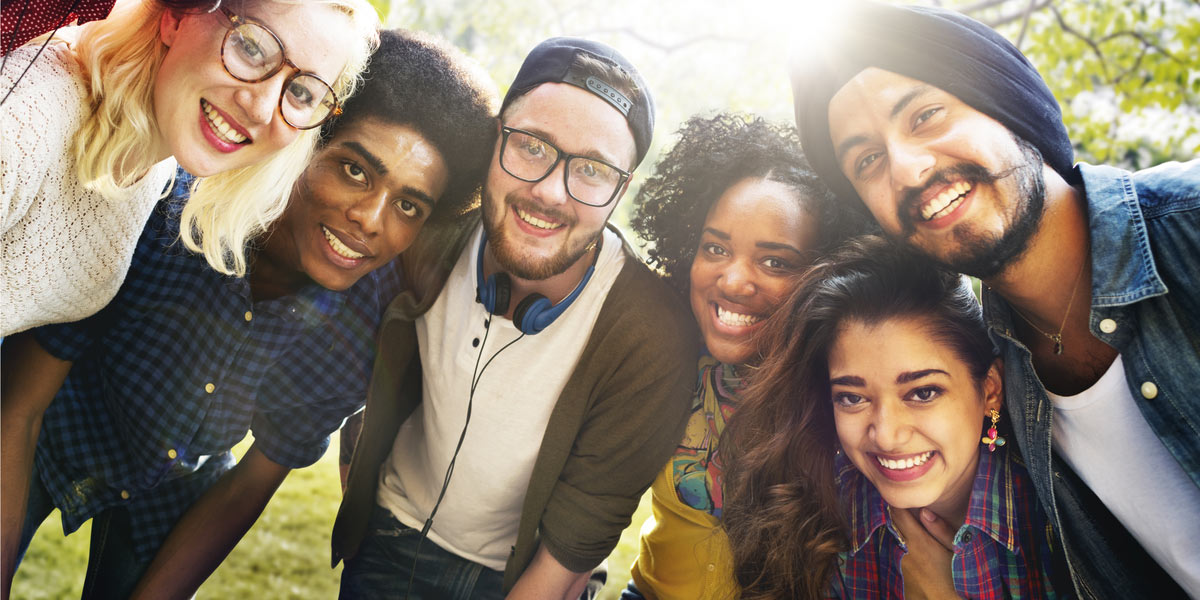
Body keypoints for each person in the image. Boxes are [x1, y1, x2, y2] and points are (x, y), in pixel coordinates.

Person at [0, 28, 498, 599]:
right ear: (305, 143)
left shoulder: (365, 321)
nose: (371, 218)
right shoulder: (171, 208)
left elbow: (251, 483)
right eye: (356, 170)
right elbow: (19, 405)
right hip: (47, 432)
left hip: (177, 481)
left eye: (408, 204)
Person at [790, 2, 1199, 597]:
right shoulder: (1002, 380)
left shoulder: (1188, 227)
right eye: (868, 160)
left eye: (926, 115)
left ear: (1008, 104)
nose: (906, 169)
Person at [333, 37, 699, 600]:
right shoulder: (428, 233)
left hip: (524, 580)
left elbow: (590, 517)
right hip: (386, 539)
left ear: (621, 189)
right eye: (531, 145)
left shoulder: (651, 333)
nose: (550, 191)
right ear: (494, 137)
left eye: (594, 170)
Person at [1, 0, 379, 336]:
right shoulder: (24, 125)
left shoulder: (160, 168)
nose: (261, 109)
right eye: (251, 47)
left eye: (301, 92)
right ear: (176, 18)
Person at [723, 235, 1068, 599]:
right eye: (852, 397)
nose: (886, 435)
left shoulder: (1063, 525)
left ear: (990, 390)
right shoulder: (813, 511)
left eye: (923, 392)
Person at [620, 113, 843, 600]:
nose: (734, 281)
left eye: (775, 261)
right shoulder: (665, 348)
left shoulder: (846, 387)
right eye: (715, 248)